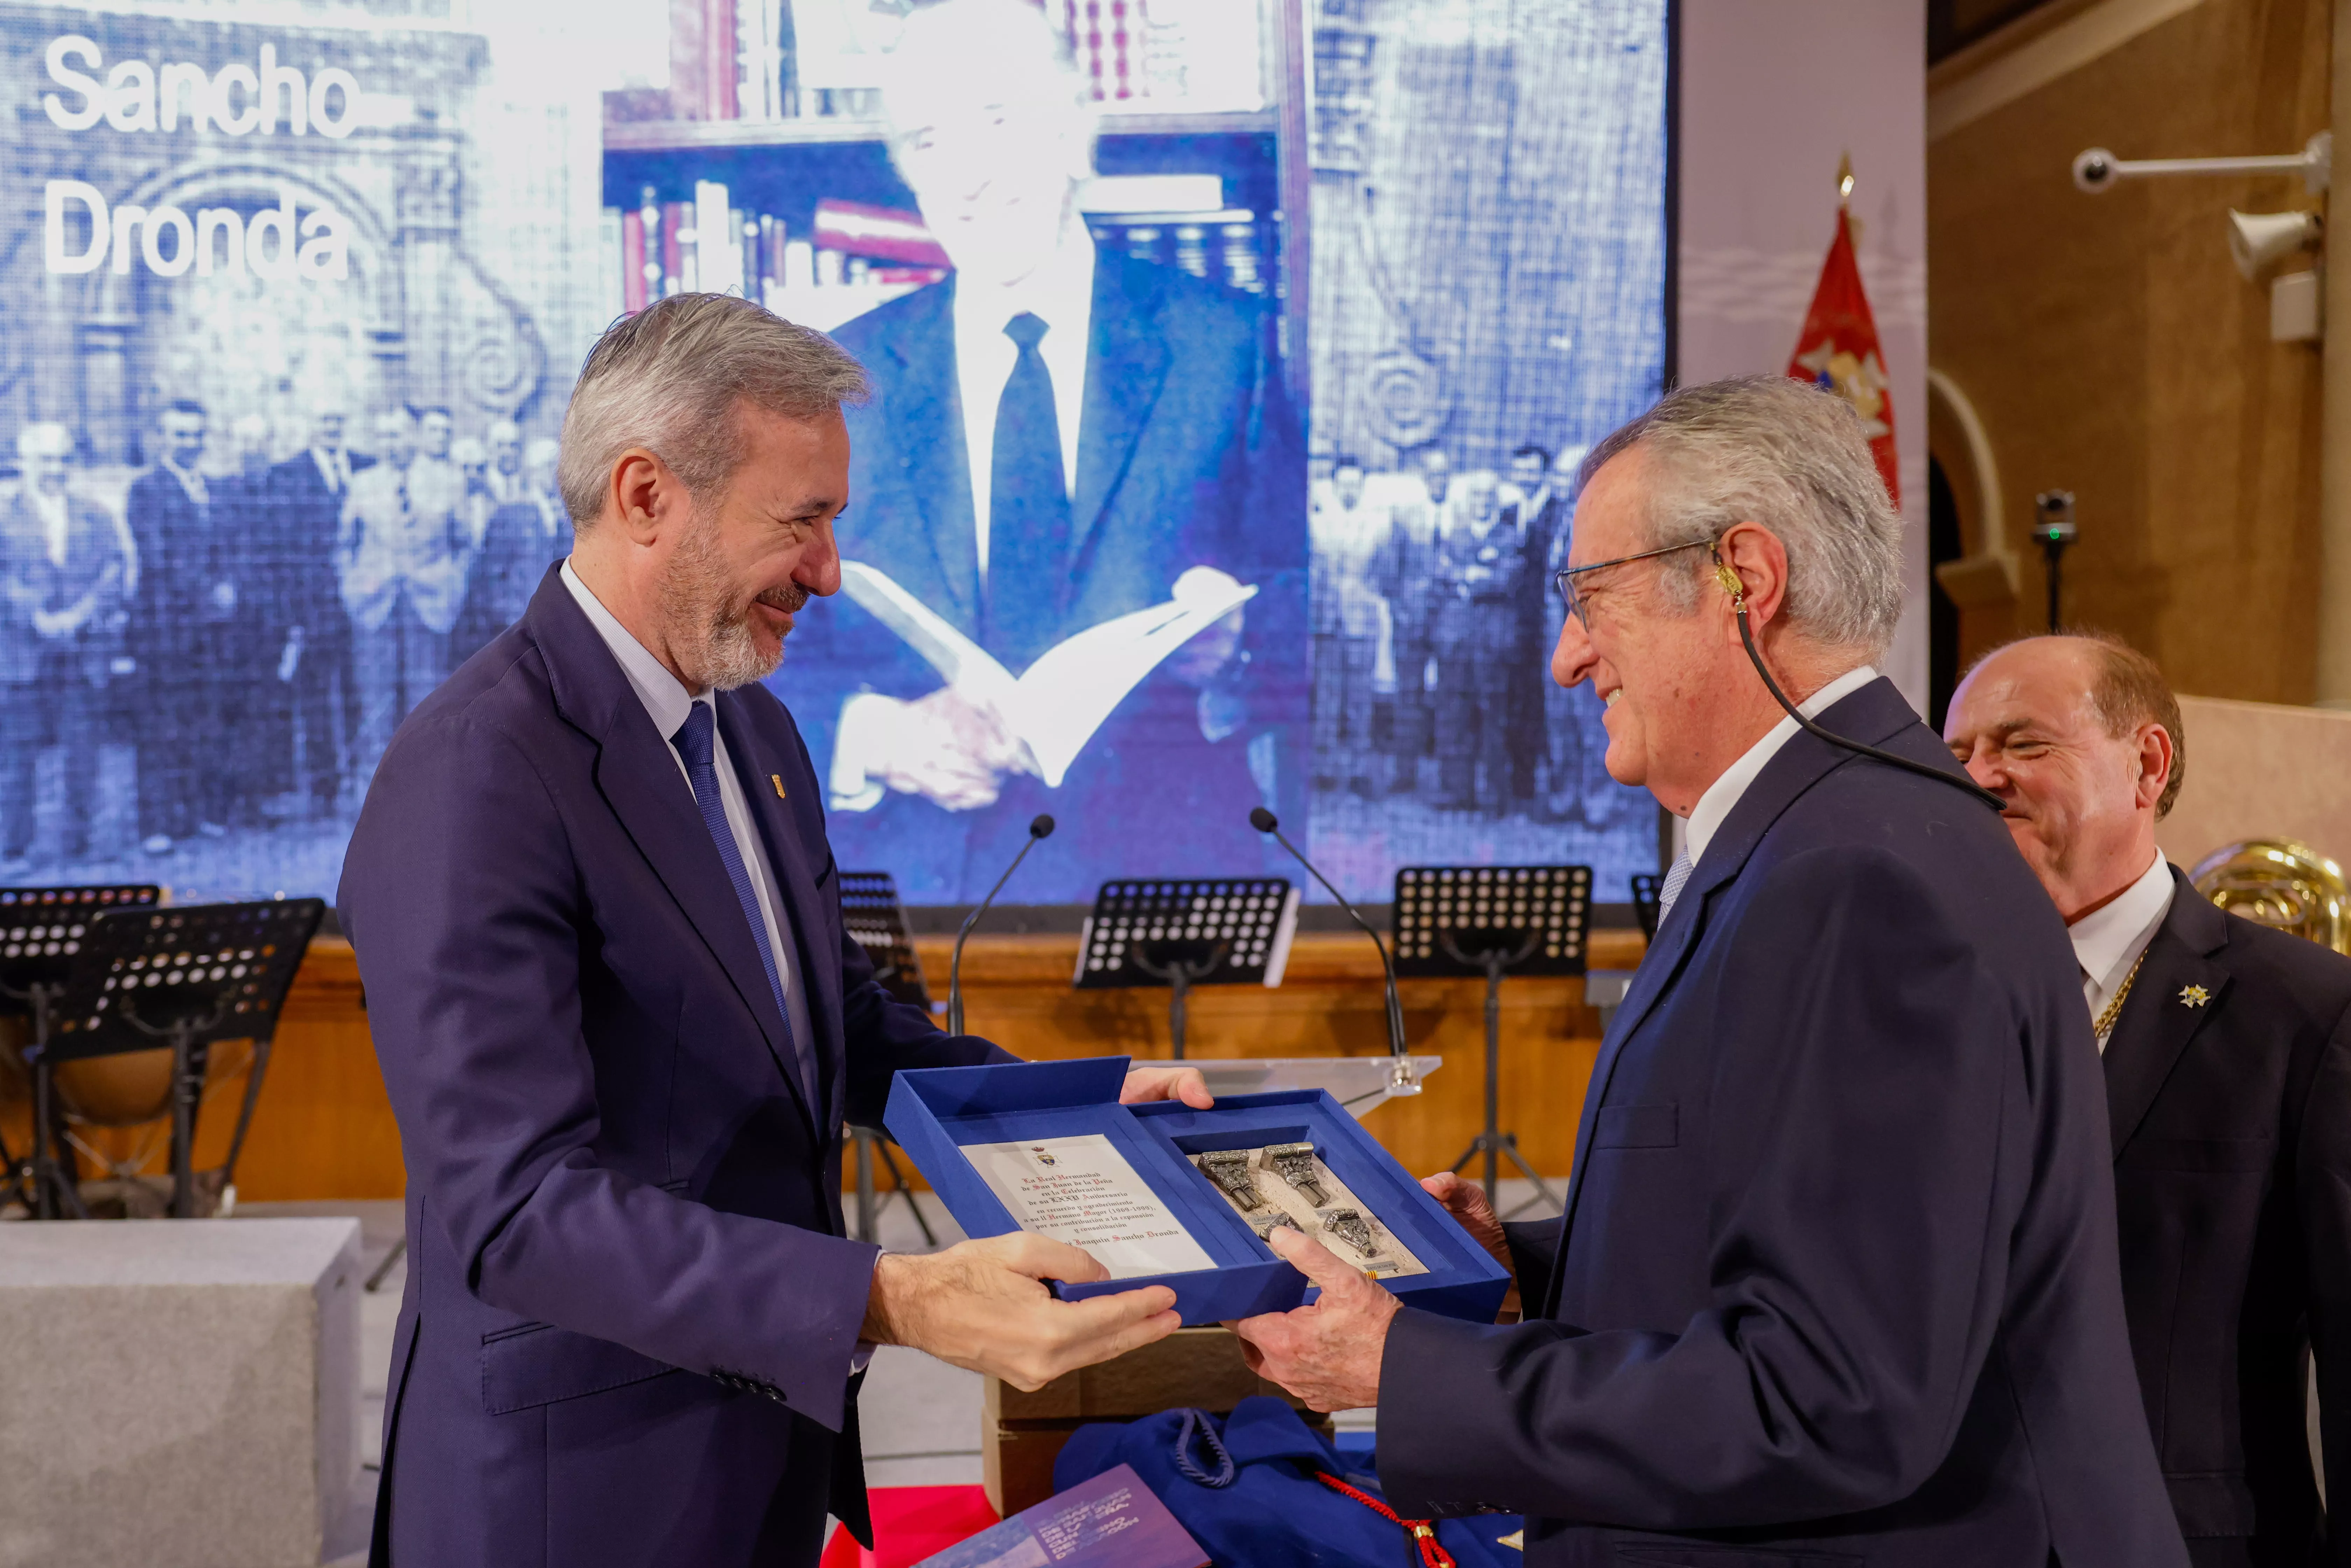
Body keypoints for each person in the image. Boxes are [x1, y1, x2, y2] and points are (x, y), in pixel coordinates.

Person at [1232, 375, 2187, 1566]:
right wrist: (1530, 1267)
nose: (1566, 659)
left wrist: (1408, 1370)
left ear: (1742, 577)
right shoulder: (1829, 834)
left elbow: (1831, 1397)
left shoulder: (1859, 877)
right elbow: (1797, 1236)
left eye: (1590, 598)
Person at [339, 293, 1202, 1567]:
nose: (829, 570)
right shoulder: (475, 766)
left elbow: (833, 1031)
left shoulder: (752, 724)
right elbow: (515, 1209)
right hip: (573, 1495)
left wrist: (1070, 1107)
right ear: (646, 495)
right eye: (799, 522)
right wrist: (891, 1297)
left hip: (758, 1455)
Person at [802, 0, 1306, 901]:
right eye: (928, 141)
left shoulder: (1225, 347)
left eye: (998, 121)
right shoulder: (836, 381)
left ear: (1076, 132)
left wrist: (1236, 650)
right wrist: (873, 737)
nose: (968, 177)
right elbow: (743, 658)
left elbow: (1315, 623)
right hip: (914, 907)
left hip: (1165, 893)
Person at [1946, 633, 2351, 1567]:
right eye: (1957, 753)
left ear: (2145, 765)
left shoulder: (2305, 1012)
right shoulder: (1911, 1000)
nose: (1978, 777)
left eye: (2020, 742)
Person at [0, 424, 130, 867]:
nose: (55, 469)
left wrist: (81, 614)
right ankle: (14, 847)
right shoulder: (5, 515)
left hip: (82, 650)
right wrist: (36, 616)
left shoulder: (95, 514)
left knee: (82, 749)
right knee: (16, 755)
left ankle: (80, 841)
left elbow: (115, 569)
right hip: (22, 653)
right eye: (45, 460)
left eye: (63, 459)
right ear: (24, 463)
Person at [339, 407, 469, 784]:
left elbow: (465, 544)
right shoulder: (362, 483)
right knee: (374, 699)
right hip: (375, 605)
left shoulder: (448, 481)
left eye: (396, 435)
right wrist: (354, 587)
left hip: (429, 604)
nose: (389, 443)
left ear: (413, 436)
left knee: (427, 696)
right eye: (383, 436)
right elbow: (344, 545)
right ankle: (374, 788)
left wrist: (450, 584)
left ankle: (426, 784)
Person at [124, 399, 216, 854]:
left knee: (197, 721)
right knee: (159, 727)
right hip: (162, 628)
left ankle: (190, 815)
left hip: (206, 631)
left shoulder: (209, 487)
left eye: (197, 434)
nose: (190, 442)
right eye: (181, 434)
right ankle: (155, 824)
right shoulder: (146, 489)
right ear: (162, 438)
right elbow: (159, 558)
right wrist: (210, 590)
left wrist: (227, 588)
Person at [268, 410, 369, 818]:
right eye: (324, 421)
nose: (331, 428)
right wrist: (295, 613)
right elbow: (284, 550)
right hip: (314, 606)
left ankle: (363, 781)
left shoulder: (365, 466)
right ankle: (324, 787)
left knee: (359, 692)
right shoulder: (287, 475)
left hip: (365, 602)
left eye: (337, 421)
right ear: (311, 426)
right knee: (316, 699)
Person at [1429, 469, 1520, 813]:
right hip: (1456, 643)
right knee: (1453, 717)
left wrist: (1467, 579)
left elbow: (1507, 580)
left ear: (1495, 500)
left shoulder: (1510, 538)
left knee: (1493, 720)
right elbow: (1440, 573)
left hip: (1492, 646)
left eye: (1487, 496)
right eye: (1476, 496)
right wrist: (1476, 575)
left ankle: (1494, 796)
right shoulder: (1455, 536)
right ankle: (1457, 792)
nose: (1481, 502)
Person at [1308, 455, 1386, 797]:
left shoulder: (1378, 525)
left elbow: (1387, 571)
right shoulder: (1316, 523)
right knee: (1327, 699)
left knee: (1360, 699)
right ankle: (1324, 770)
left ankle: (1359, 771)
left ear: (1363, 486)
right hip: (1327, 620)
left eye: (1355, 484)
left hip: (1361, 622)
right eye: (1344, 484)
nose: (1349, 490)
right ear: (1334, 486)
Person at [1374, 445, 1448, 797]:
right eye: (1433, 474)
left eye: (1444, 474)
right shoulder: (1404, 519)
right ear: (1421, 477)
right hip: (1411, 623)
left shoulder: (1458, 515)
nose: (1439, 481)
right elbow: (1387, 573)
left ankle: (1449, 782)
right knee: (1409, 698)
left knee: (1450, 698)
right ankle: (1405, 775)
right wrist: (1402, 612)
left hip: (1449, 624)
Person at [454, 436, 569, 659]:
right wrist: (507, 616)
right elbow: (493, 574)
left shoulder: (566, 515)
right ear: (535, 471)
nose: (557, 474)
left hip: (555, 623)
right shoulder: (511, 513)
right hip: (518, 623)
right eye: (550, 466)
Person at [1500, 442, 1561, 806]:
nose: (1524, 477)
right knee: (1514, 701)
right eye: (1519, 470)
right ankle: (1516, 786)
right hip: (1511, 629)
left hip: (1547, 627)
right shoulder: (1507, 514)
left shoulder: (1558, 515)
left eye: (1531, 470)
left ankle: (1547, 788)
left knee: (1545, 708)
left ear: (1543, 474)